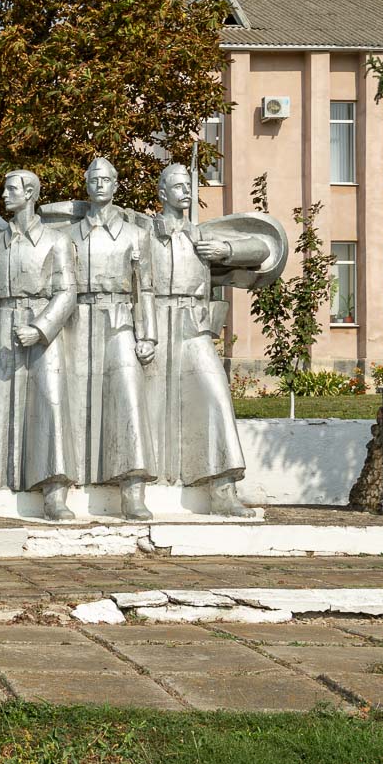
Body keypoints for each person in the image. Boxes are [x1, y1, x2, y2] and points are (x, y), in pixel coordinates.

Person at [146, 163, 267, 516]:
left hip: (192, 326)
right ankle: (137, 486)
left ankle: (222, 490)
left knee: (215, 397)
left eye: (189, 185)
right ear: (162, 192)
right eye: (178, 186)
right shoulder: (145, 232)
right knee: (147, 406)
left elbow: (262, 248)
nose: (186, 191)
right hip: (154, 325)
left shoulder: (203, 236)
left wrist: (224, 250)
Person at [0, 171, 81, 518]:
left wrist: (40, 328)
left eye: (11, 189)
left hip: (42, 327)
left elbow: (67, 292)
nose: (5, 194)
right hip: (3, 326)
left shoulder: (56, 240)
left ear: (30, 193)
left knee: (50, 403)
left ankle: (54, 492)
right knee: (1, 404)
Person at [65, 157, 158, 520]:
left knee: (127, 399)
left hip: (119, 319)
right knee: (73, 401)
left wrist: (148, 335)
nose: (100, 184)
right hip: (77, 319)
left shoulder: (136, 235)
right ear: (86, 184)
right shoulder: (69, 235)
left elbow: (144, 288)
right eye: (94, 179)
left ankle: (132, 491)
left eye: (106, 179)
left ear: (116, 185)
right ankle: (64, 486)